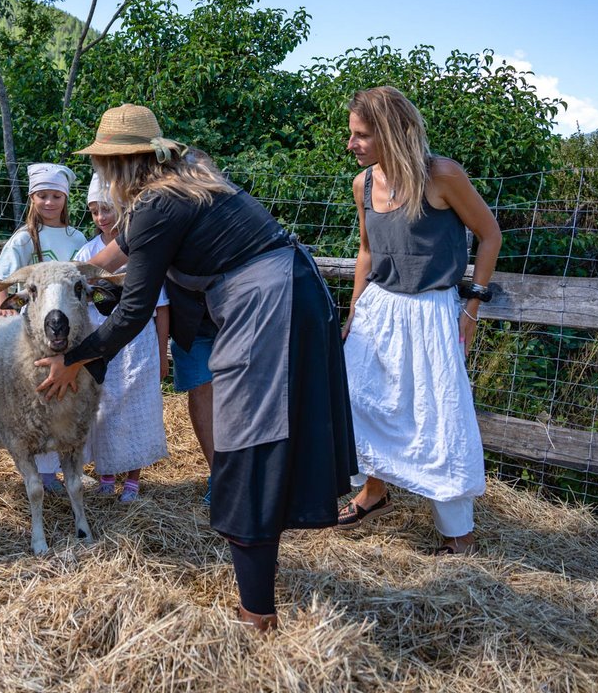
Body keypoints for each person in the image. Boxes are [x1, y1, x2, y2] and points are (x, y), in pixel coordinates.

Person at [36, 104, 356, 632]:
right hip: (288, 292)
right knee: (250, 440)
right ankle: (257, 596)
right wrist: (66, 275)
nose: (99, 175)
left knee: (248, 443)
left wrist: (73, 359)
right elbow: (118, 252)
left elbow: (135, 310)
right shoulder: (184, 178)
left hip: (268, 306)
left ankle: (257, 614)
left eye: (101, 165)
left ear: (120, 165)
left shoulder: (158, 203)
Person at [336, 86, 501, 556]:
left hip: (431, 311)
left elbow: (490, 236)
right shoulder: (364, 184)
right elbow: (367, 251)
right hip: (378, 310)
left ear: (390, 132)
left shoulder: (442, 176)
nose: (352, 145)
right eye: (353, 135)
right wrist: (354, 312)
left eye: (361, 135)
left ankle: (458, 535)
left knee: (439, 417)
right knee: (360, 402)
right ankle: (374, 493)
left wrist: (472, 307)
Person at [74, 173, 170, 503]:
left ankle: (132, 480)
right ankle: (104, 475)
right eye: (95, 211)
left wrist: (161, 352)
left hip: (139, 341)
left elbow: (161, 306)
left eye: (108, 209)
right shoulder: (87, 253)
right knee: (102, 406)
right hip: (102, 340)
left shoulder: (142, 247)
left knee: (134, 408)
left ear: (124, 209)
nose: (102, 217)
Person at [0, 162, 87, 492]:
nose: (49, 203)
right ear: (33, 199)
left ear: (65, 198)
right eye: (43, 196)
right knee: (41, 399)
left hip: (72, 331)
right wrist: (2, 308)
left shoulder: (77, 238)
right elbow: (2, 278)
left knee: (72, 398)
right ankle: (44, 473)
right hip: (36, 337)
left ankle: (71, 465)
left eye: (56, 196)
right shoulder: (23, 240)